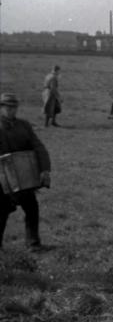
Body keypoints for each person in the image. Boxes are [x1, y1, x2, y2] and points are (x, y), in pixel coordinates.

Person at [0, 93, 52, 251]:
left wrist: (44, 169)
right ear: (1, 108)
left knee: (31, 208)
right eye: (7, 107)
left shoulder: (24, 126)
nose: (10, 110)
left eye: (13, 107)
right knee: (1, 212)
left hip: (24, 176)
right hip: (2, 179)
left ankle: (33, 243)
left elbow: (38, 147)